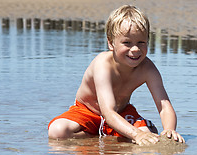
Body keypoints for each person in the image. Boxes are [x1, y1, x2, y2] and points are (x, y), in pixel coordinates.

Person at [48, 5, 184, 145]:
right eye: (127, 43)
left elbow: (164, 106)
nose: (135, 49)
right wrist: (136, 134)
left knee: (148, 137)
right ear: (111, 43)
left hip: (121, 112)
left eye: (141, 42)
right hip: (88, 111)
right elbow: (107, 111)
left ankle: (119, 132)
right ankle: (99, 135)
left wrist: (169, 130)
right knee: (57, 131)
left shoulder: (147, 68)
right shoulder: (102, 65)